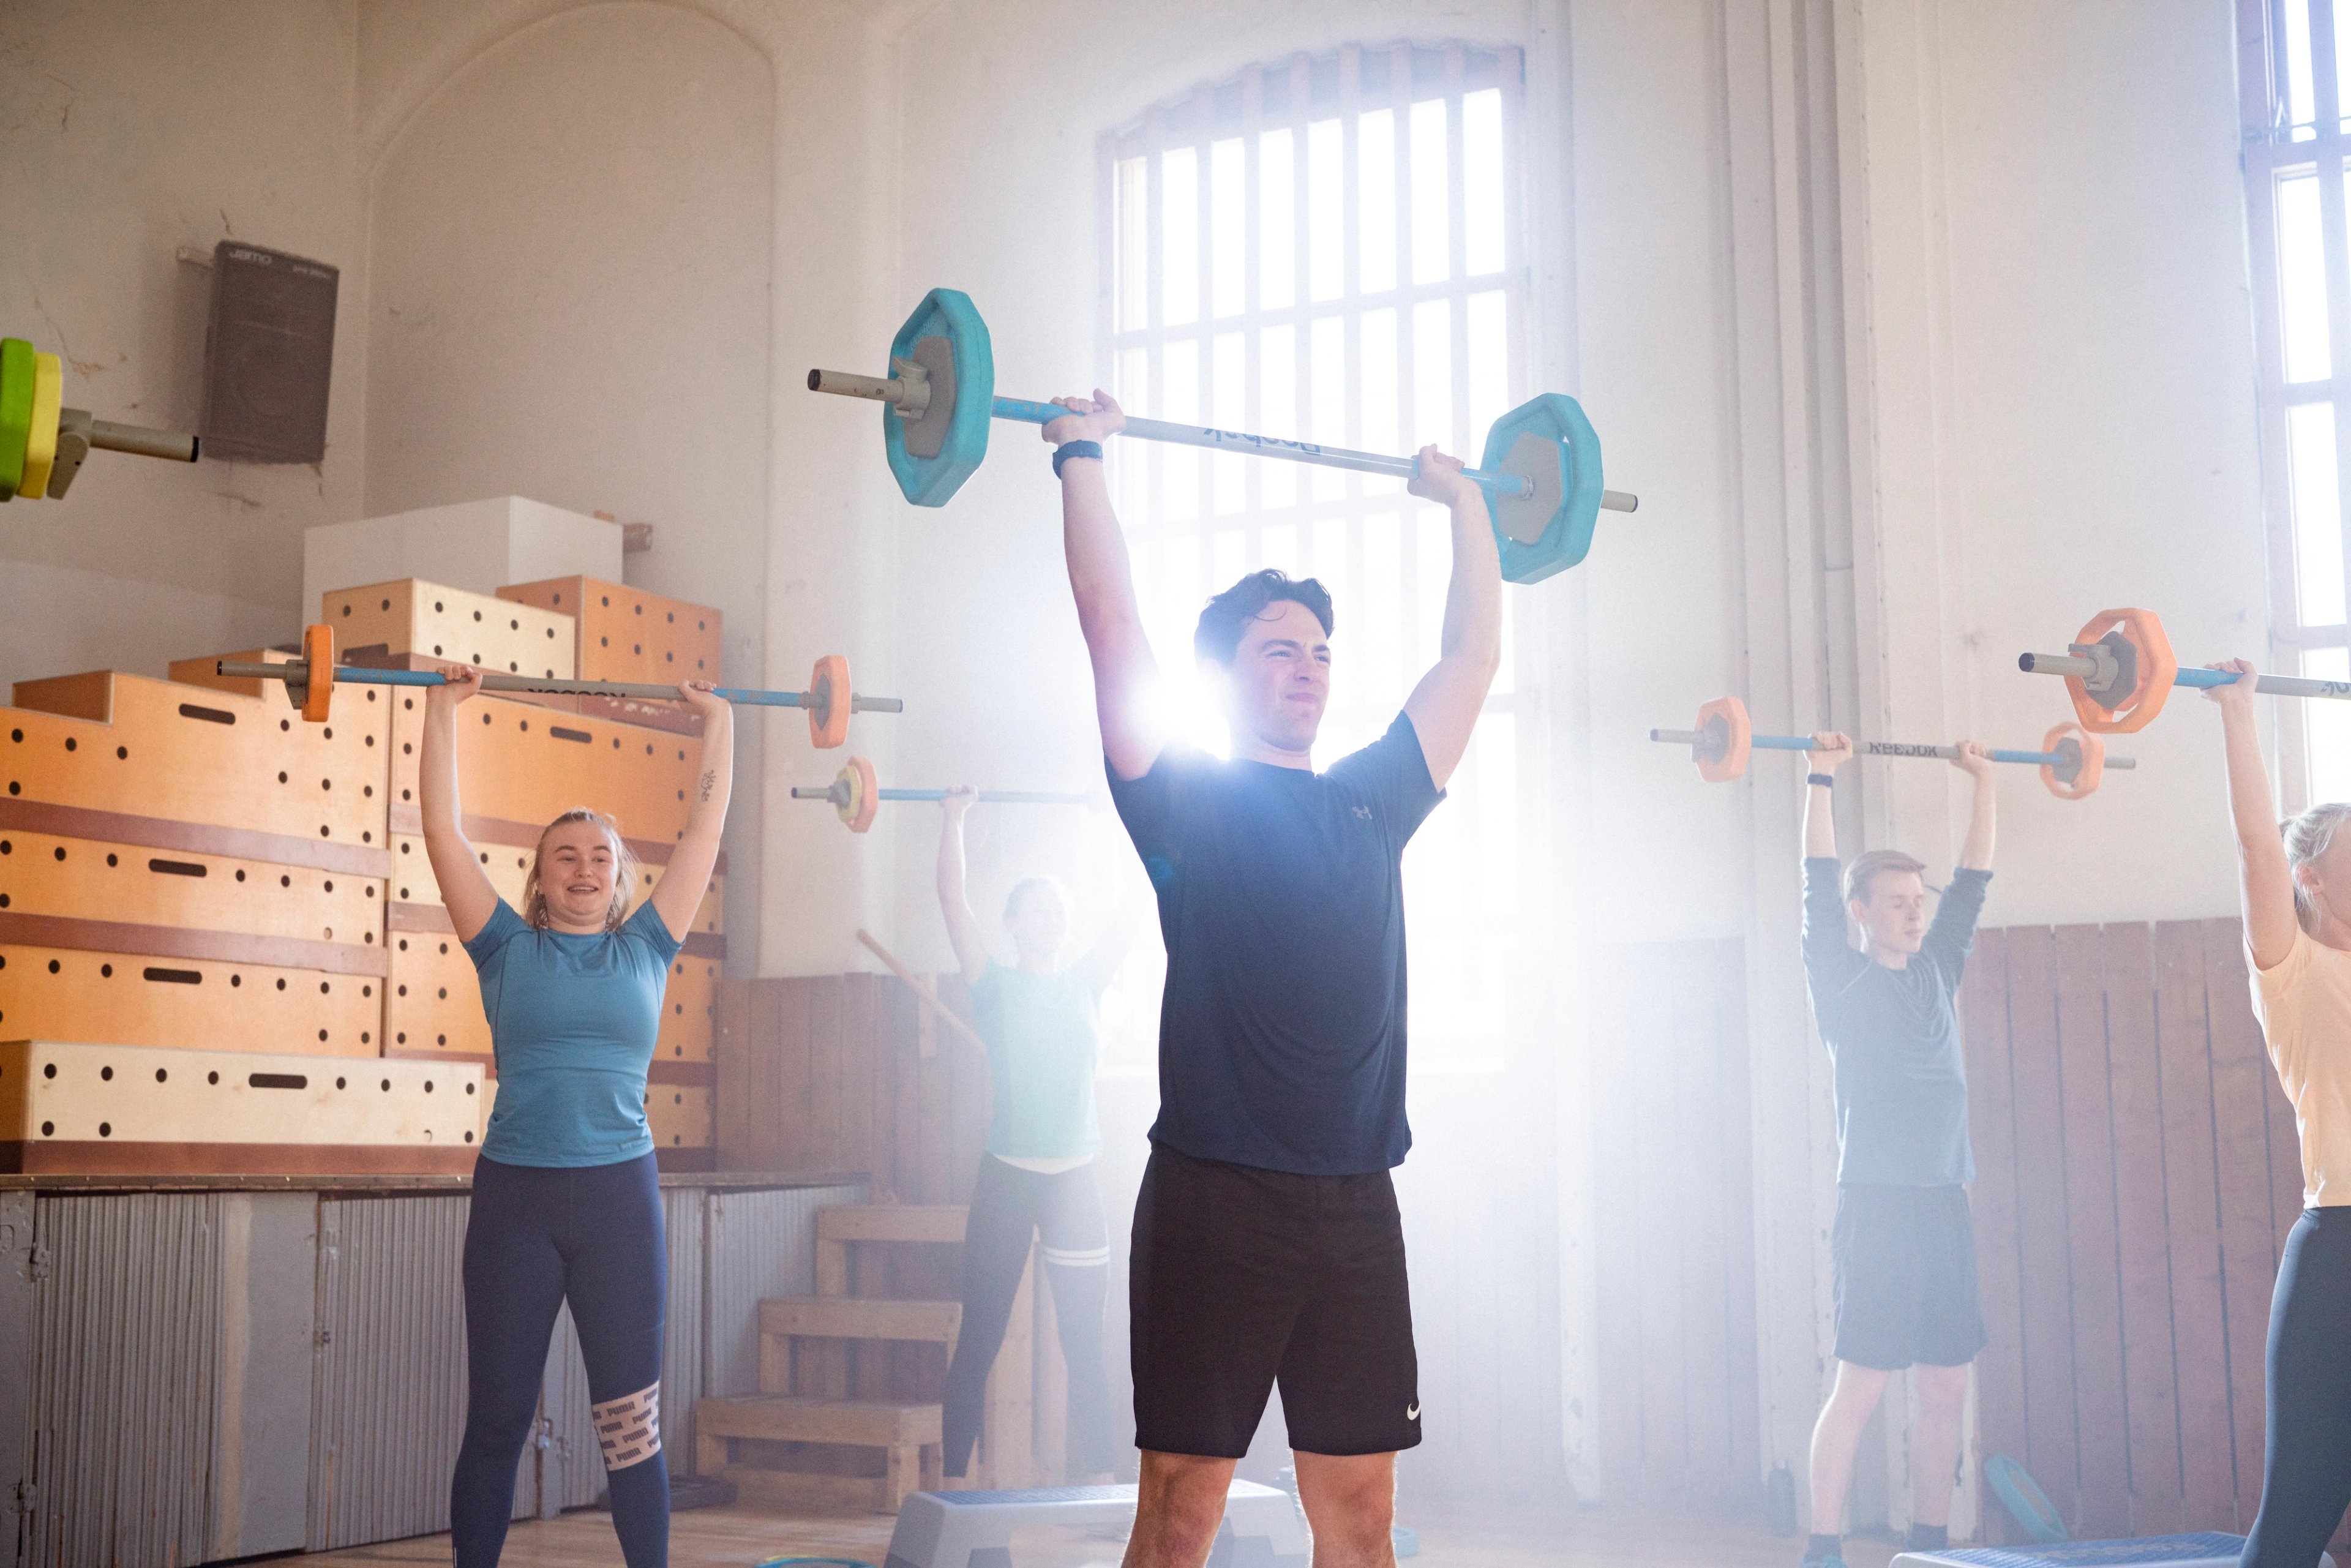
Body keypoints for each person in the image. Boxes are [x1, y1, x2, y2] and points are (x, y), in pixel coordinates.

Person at [1041, 388, 1499, 1568]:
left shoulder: (1370, 799)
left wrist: (1468, 504)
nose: (1309, 669)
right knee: (1183, 1508)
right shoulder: (1178, 795)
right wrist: (1082, 455)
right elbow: (1112, 626)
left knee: (1360, 1517)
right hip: (1215, 1197)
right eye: (1279, 650)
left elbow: (1472, 654)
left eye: (1322, 653)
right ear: (1224, 672)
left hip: (1355, 1201)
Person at [431, 666, 732, 1568]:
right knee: (496, 1422)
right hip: (516, 1201)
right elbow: (442, 830)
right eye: (566, 854)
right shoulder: (503, 948)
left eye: (601, 855)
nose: (586, 867)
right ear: (539, 875)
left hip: (618, 1205)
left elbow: (706, 825)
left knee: (630, 1428)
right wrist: (442, 710)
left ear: (621, 873)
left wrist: (720, 724)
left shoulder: (647, 944)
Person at [1798, 731, 1995, 1568]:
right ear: (1863, 913)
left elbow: (1976, 884)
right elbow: (1812, 883)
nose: (1916, 910)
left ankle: (1927, 1547)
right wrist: (1820, 776)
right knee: (1865, 1387)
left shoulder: (1939, 967)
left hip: (1946, 1201)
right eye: (1898, 900)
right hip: (1876, 1207)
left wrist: (1982, 780)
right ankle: (1824, 1550)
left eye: (1920, 897)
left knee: (1947, 1383)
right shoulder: (1840, 982)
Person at [933, 788, 1130, 1484]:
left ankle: (1101, 1486)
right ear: (1014, 922)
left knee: (1086, 1343)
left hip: (1076, 1179)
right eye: (1034, 908)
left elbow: (1134, 904)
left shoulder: (1087, 980)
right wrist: (955, 819)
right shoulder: (994, 984)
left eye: (1058, 909)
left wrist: (1113, 823)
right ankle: (955, 1486)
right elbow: (954, 903)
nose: (1047, 917)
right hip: (1008, 1177)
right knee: (980, 1335)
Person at [2207, 659, 2351, 1568]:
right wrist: (2236, 713)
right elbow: (2258, 850)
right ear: (2315, 878)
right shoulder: (2294, 973)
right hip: (2340, 1255)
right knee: (2299, 1513)